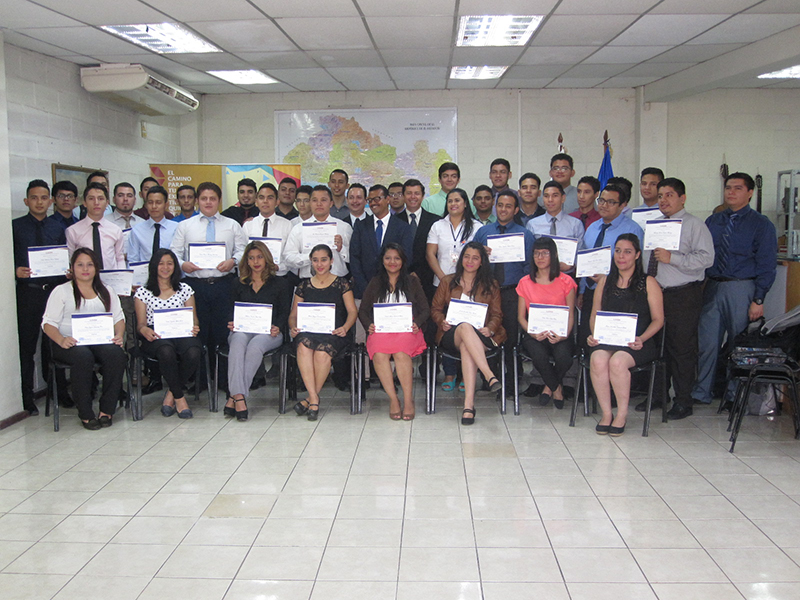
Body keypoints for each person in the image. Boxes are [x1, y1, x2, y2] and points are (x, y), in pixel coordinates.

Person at [692, 172, 777, 407]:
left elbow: (767, 264)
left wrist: (758, 299)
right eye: (728, 187)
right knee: (707, 342)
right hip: (713, 286)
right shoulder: (713, 221)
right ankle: (702, 392)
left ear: (750, 193)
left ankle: (733, 395)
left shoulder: (761, 224)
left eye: (738, 188)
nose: (731, 192)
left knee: (738, 346)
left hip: (742, 287)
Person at [640, 178, 714, 420]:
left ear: (682, 198)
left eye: (669, 195)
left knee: (681, 349)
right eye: (660, 196)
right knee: (657, 346)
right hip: (655, 293)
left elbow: (706, 259)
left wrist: (675, 259)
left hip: (682, 294)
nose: (663, 200)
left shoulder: (694, 225)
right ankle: (659, 395)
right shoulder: (655, 225)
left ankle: (683, 400)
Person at [587, 234, 664, 437]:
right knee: (597, 358)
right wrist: (594, 334)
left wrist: (642, 338)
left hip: (639, 342)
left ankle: (621, 414)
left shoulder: (648, 282)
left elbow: (658, 319)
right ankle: (606, 413)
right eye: (618, 251)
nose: (621, 256)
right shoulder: (605, 281)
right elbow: (595, 313)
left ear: (637, 255)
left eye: (627, 252)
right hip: (609, 340)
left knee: (618, 362)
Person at [42, 248, 127, 430]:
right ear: (72, 268)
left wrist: (119, 335)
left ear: (96, 268)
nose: (85, 269)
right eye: (80, 265)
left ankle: (107, 410)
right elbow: (48, 324)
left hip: (99, 341)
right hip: (67, 342)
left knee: (116, 354)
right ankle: (86, 412)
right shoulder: (61, 291)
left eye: (90, 264)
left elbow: (119, 318)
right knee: (83, 357)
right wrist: (61, 340)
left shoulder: (106, 290)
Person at [170, 181, 247, 371]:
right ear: (197, 201)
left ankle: (222, 377)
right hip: (195, 285)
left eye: (213, 198)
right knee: (199, 331)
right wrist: (183, 264)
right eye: (204, 198)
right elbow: (174, 253)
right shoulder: (185, 226)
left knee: (223, 332)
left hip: (224, 284)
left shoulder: (232, 225)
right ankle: (201, 378)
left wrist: (233, 261)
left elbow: (243, 250)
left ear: (219, 201)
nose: (208, 202)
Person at [431, 242, 505, 425]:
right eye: (466, 256)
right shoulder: (448, 281)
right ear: (461, 259)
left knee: (467, 346)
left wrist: (491, 328)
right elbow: (435, 309)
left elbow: (497, 314)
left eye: (475, 258)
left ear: (482, 262)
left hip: (481, 333)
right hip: (452, 333)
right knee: (464, 327)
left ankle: (468, 406)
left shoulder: (491, 284)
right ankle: (489, 375)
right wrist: (442, 321)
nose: (470, 261)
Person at [13, 179, 68, 415]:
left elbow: (65, 258)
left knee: (53, 344)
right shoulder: (14, 227)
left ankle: (59, 393)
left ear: (51, 201)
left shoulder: (58, 228)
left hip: (53, 292)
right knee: (27, 347)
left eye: (44, 198)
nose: (39, 202)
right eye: (34, 198)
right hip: (28, 293)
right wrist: (14, 270)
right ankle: (26, 398)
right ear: (27, 201)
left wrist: (67, 270)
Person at [358, 244, 429, 420]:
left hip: (406, 330)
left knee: (400, 353)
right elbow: (363, 311)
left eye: (396, 258)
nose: (392, 262)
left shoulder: (412, 281)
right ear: (382, 260)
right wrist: (369, 325)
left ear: (403, 261)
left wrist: (417, 323)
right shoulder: (376, 282)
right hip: (382, 331)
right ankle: (393, 399)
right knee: (380, 354)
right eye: (388, 258)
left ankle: (408, 400)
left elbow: (425, 309)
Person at [289, 244, 358, 421]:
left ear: (331, 261)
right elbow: (293, 314)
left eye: (324, 260)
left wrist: (345, 327)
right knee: (303, 346)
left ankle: (311, 398)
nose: (319, 264)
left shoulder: (342, 283)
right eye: (315, 260)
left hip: (335, 332)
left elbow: (352, 312)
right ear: (310, 262)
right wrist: (293, 326)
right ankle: (313, 399)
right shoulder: (303, 285)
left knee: (322, 353)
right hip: (308, 332)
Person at [474, 190, 535, 390]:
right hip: (487, 292)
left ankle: (511, 378)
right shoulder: (483, 232)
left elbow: (529, 268)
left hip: (512, 292)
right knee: (486, 332)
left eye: (508, 206)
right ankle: (488, 376)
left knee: (509, 336)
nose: (503, 209)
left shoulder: (524, 234)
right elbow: (471, 262)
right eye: (500, 205)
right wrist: (481, 255)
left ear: (516, 209)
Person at [225, 242, 292, 421]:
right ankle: (240, 397)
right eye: (251, 258)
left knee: (255, 346)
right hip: (242, 330)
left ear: (267, 258)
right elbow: (230, 309)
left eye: (260, 257)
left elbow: (285, 311)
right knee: (237, 343)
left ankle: (235, 397)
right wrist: (231, 322)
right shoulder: (237, 283)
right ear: (246, 261)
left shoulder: (280, 283)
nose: (256, 261)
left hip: (270, 333)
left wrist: (277, 325)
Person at [134, 249, 201, 419]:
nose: (165, 267)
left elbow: (194, 320)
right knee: (166, 351)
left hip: (181, 333)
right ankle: (180, 399)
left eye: (169, 263)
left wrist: (194, 327)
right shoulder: (143, 292)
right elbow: (140, 324)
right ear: (154, 266)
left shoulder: (185, 289)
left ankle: (171, 394)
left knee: (194, 351)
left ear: (175, 266)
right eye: (161, 263)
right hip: (155, 335)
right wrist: (144, 330)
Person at [577, 183, 644, 348]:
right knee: (588, 340)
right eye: (601, 200)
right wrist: (582, 291)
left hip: (618, 293)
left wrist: (608, 279)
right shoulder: (593, 227)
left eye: (611, 202)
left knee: (611, 342)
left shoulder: (632, 230)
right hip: (591, 292)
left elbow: (639, 265)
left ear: (622, 205)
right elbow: (585, 259)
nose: (604, 205)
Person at [516, 237, 577, 409]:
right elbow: (521, 317)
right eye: (536, 253)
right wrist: (532, 332)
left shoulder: (566, 281)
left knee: (564, 358)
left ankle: (548, 387)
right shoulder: (525, 282)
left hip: (560, 332)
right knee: (539, 356)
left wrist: (563, 334)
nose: (540, 257)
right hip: (533, 333)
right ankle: (556, 388)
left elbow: (571, 313)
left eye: (545, 253)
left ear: (554, 256)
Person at [350, 184, 414, 298]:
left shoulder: (403, 227)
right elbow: (354, 257)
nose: (373, 203)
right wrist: (365, 287)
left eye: (377, 199)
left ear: (387, 199)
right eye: (370, 200)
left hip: (394, 290)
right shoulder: (360, 225)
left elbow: (406, 258)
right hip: (364, 290)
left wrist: (391, 286)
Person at [526, 181, 585, 272]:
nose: (550, 200)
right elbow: (529, 252)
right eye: (546, 196)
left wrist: (572, 265)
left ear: (563, 198)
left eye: (555, 195)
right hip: (541, 276)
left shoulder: (575, 224)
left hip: (567, 276)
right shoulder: (533, 224)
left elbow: (581, 252)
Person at [66, 182, 125, 270]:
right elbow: (71, 260)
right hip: (85, 280)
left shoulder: (116, 230)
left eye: (100, 199)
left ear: (107, 203)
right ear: (84, 203)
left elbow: (120, 259)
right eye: (91, 199)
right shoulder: (73, 231)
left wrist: (121, 278)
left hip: (111, 280)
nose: (96, 203)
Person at [242, 182, 294, 278]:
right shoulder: (248, 225)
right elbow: (243, 254)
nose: (265, 201)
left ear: (277, 201)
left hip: (279, 277)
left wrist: (278, 267)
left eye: (270, 198)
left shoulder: (287, 225)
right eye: (261, 198)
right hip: (253, 278)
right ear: (256, 202)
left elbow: (290, 255)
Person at [128, 185, 179, 264]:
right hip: (144, 274)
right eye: (150, 202)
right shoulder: (137, 230)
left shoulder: (176, 228)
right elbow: (133, 259)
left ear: (166, 205)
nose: (154, 206)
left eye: (158, 202)